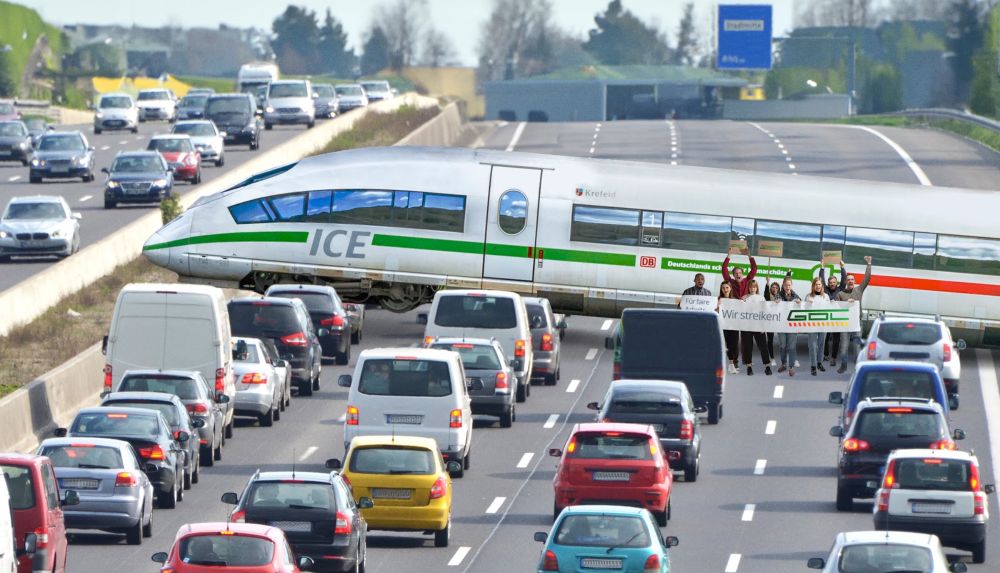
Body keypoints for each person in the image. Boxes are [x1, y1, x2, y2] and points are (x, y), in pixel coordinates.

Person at [836, 256, 873, 374]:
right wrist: (846, 303)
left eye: (852, 279)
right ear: (846, 282)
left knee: (857, 348)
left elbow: (867, 278)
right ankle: (844, 366)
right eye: (849, 279)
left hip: (857, 323)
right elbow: (836, 308)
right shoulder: (841, 294)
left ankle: (857, 368)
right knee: (843, 347)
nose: (851, 281)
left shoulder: (859, 290)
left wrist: (869, 264)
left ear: (854, 281)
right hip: (845, 324)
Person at [740, 280, 772, 376]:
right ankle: (749, 367)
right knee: (748, 347)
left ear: (757, 288)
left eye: (754, 287)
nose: (752, 288)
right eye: (751, 287)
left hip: (758, 326)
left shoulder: (761, 298)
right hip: (747, 326)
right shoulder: (744, 298)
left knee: (763, 347)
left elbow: (765, 312)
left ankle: (767, 366)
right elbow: (740, 312)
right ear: (748, 288)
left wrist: (764, 326)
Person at [820, 261, 848, 365]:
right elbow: (821, 280)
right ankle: (826, 355)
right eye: (830, 282)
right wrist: (822, 267)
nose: (832, 284)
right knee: (825, 338)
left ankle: (833, 358)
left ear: (836, 283)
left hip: (836, 318)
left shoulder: (840, 289)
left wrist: (842, 267)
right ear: (828, 283)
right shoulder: (825, 290)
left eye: (834, 282)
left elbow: (844, 280)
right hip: (826, 318)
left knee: (836, 339)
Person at [804, 277, 832, 376]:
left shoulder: (826, 297)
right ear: (813, 286)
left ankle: (819, 363)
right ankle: (813, 365)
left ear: (822, 286)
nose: (818, 286)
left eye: (819, 284)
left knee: (821, 344)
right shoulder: (808, 297)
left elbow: (830, 309)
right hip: (812, 325)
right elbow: (804, 310)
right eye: (816, 284)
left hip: (823, 325)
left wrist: (832, 304)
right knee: (812, 346)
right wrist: (807, 304)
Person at [774, 277, 801, 376]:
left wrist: (799, 303)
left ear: (791, 285)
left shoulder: (796, 296)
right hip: (781, 325)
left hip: (792, 325)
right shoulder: (778, 295)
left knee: (792, 347)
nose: (787, 287)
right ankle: (783, 364)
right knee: (783, 346)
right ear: (783, 285)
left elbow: (801, 309)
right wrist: (775, 304)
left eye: (789, 285)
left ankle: (791, 366)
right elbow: (774, 309)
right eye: (786, 285)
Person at [718, 282, 740, 374]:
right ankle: (727, 365)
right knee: (724, 345)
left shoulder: (735, 300)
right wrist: (717, 305)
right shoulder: (718, 300)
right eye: (723, 288)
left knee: (733, 345)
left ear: (730, 288)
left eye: (727, 287)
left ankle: (732, 364)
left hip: (733, 326)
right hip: (722, 326)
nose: (725, 289)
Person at [764, 280, 782, 363]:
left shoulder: (780, 297)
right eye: (773, 287)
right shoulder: (768, 296)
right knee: (770, 340)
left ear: (778, 289)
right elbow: (766, 293)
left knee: (783, 341)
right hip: (769, 322)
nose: (774, 289)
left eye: (776, 287)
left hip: (779, 321)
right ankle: (771, 357)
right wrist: (767, 283)